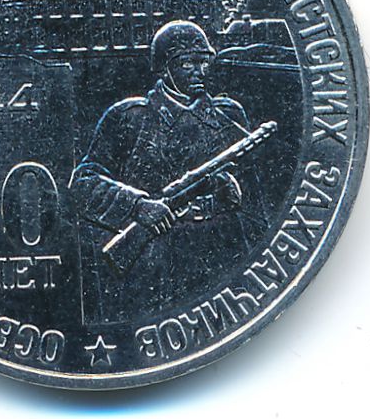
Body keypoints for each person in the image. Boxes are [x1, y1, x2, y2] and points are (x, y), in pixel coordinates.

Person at [70, 20, 268, 325]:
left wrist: (233, 196)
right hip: (154, 264)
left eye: (204, 62)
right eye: (188, 63)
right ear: (164, 68)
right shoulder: (131, 118)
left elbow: (258, 209)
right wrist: (138, 206)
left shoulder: (228, 117)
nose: (199, 71)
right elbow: (83, 184)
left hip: (219, 256)